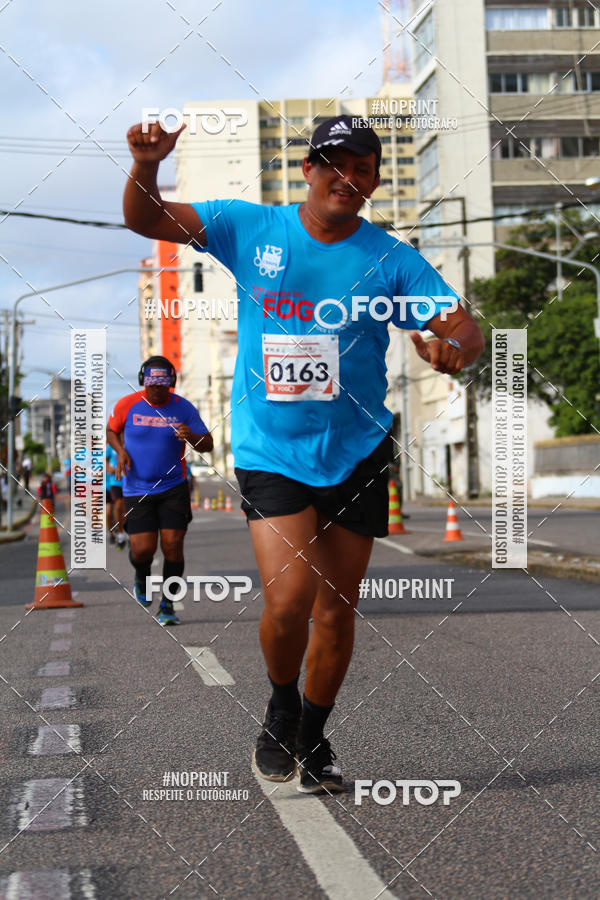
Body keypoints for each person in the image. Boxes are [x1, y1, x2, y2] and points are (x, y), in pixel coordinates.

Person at [123, 115, 485, 792]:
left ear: (375, 180)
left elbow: (463, 324)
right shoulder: (248, 227)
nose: (347, 179)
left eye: (363, 168)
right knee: (289, 601)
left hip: (357, 450)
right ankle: (280, 705)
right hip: (271, 447)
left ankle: (314, 737)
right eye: (333, 164)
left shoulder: (391, 259)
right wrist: (146, 168)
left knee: (336, 611)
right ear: (308, 169)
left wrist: (455, 349)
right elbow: (148, 220)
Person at [107, 356, 213, 625]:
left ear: (172, 382)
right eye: (152, 383)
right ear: (144, 381)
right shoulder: (127, 405)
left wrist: (190, 435)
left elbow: (207, 444)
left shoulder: (183, 408)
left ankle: (167, 604)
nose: (157, 389)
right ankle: (142, 576)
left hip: (173, 487)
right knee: (142, 550)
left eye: (163, 383)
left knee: (173, 545)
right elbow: (111, 430)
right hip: (136, 488)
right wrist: (120, 452)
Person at [106, 443, 127, 549]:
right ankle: (119, 533)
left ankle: (130, 532)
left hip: (129, 480)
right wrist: (108, 467)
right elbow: (105, 460)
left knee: (127, 508)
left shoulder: (130, 440)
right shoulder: (111, 444)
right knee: (118, 506)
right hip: (115, 481)